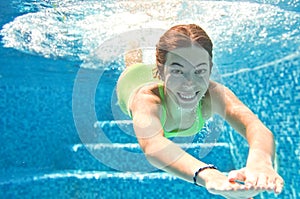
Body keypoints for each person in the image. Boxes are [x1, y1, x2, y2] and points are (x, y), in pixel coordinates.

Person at [116, 24, 284, 198]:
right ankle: (134, 33)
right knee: (134, 60)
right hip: (133, 79)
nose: (190, 82)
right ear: (160, 70)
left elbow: (253, 125)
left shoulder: (214, 94)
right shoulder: (147, 100)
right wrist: (209, 175)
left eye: (200, 71)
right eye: (178, 71)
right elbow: (153, 146)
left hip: (163, 72)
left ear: (210, 69)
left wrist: (261, 162)